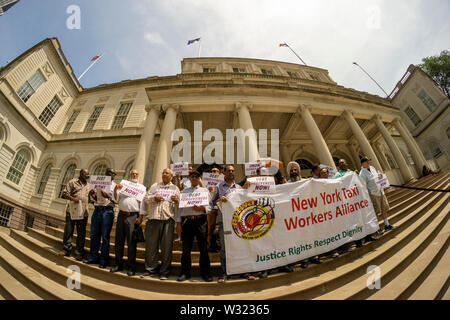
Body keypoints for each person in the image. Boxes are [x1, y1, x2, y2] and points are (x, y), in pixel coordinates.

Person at [140, 168, 180, 280]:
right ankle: (150, 269)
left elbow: (180, 204)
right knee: (151, 247)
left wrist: (177, 200)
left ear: (171, 176)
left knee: (166, 248)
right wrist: (154, 198)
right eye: (163, 172)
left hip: (168, 220)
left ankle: (164, 271)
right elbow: (146, 199)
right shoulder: (154, 186)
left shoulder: (175, 188)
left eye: (166, 173)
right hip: (153, 219)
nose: (164, 174)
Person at [176, 170, 212, 282]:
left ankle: (205, 273)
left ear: (199, 178)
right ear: (189, 179)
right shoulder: (184, 192)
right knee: (186, 249)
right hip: (187, 222)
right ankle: (185, 273)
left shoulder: (204, 191)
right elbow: (180, 209)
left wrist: (201, 208)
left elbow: (210, 207)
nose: (194, 178)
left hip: (200, 221)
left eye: (196, 176)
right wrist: (179, 223)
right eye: (192, 177)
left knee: (203, 248)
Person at [110, 169, 144, 276]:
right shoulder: (123, 185)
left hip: (133, 217)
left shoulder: (141, 188)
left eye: (136, 174)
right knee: (118, 241)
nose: (134, 175)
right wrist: (116, 189)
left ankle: (131, 267)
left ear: (138, 175)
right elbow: (116, 199)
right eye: (132, 173)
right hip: (121, 215)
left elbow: (142, 204)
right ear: (130, 175)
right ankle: (118, 264)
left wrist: (141, 217)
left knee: (131, 243)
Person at [212, 165, 242, 283]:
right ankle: (224, 272)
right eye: (228, 171)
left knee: (238, 247)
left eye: (233, 171)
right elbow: (212, 203)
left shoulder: (239, 188)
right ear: (224, 172)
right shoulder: (218, 187)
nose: (231, 172)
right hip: (223, 221)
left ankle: (241, 270)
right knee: (224, 249)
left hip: (237, 222)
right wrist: (220, 200)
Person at [84, 168, 117, 268]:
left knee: (105, 237)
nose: (109, 174)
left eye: (111, 173)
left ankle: (103, 260)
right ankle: (93, 257)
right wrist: (91, 195)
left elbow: (116, 200)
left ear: (114, 175)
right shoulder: (97, 182)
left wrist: (108, 196)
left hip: (107, 211)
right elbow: (92, 199)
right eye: (107, 173)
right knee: (94, 235)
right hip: (97, 209)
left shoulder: (115, 186)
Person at [59, 169, 91, 261]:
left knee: (81, 233)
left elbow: (91, 199)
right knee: (68, 231)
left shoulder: (89, 186)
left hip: (83, 212)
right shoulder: (72, 182)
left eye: (88, 174)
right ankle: (66, 250)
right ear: (81, 174)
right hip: (72, 211)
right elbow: (64, 194)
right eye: (86, 173)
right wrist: (73, 199)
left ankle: (79, 253)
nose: (88, 175)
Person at [359, 158, 395, 234]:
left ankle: (387, 224)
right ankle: (377, 228)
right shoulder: (362, 174)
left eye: (368, 161)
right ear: (363, 164)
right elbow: (363, 185)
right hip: (373, 194)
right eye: (367, 162)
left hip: (380, 191)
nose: (368, 162)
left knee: (384, 208)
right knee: (376, 211)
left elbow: (377, 177)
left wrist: (381, 176)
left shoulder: (372, 168)